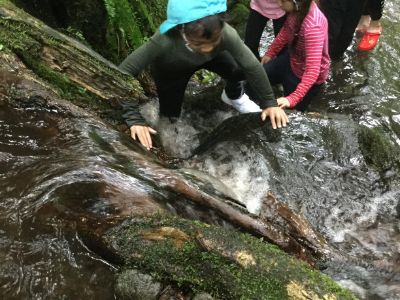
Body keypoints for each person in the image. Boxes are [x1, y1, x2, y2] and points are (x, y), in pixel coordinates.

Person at [119, 0, 288, 150]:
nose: (207, 48)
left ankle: (233, 95)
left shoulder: (225, 32)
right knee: (169, 122)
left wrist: (269, 103)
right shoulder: (164, 40)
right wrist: (134, 119)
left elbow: (251, 65)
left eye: (213, 41)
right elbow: (122, 73)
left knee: (239, 69)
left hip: (215, 60)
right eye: (199, 43)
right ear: (182, 30)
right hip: (172, 70)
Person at [258, 0, 330, 111]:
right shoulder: (296, 10)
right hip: (291, 59)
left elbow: (312, 70)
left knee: (291, 112)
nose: (279, 4)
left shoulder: (313, 27)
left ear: (297, 2)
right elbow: (286, 31)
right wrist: (271, 52)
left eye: (282, 1)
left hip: (305, 76)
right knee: (258, 77)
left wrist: (292, 99)